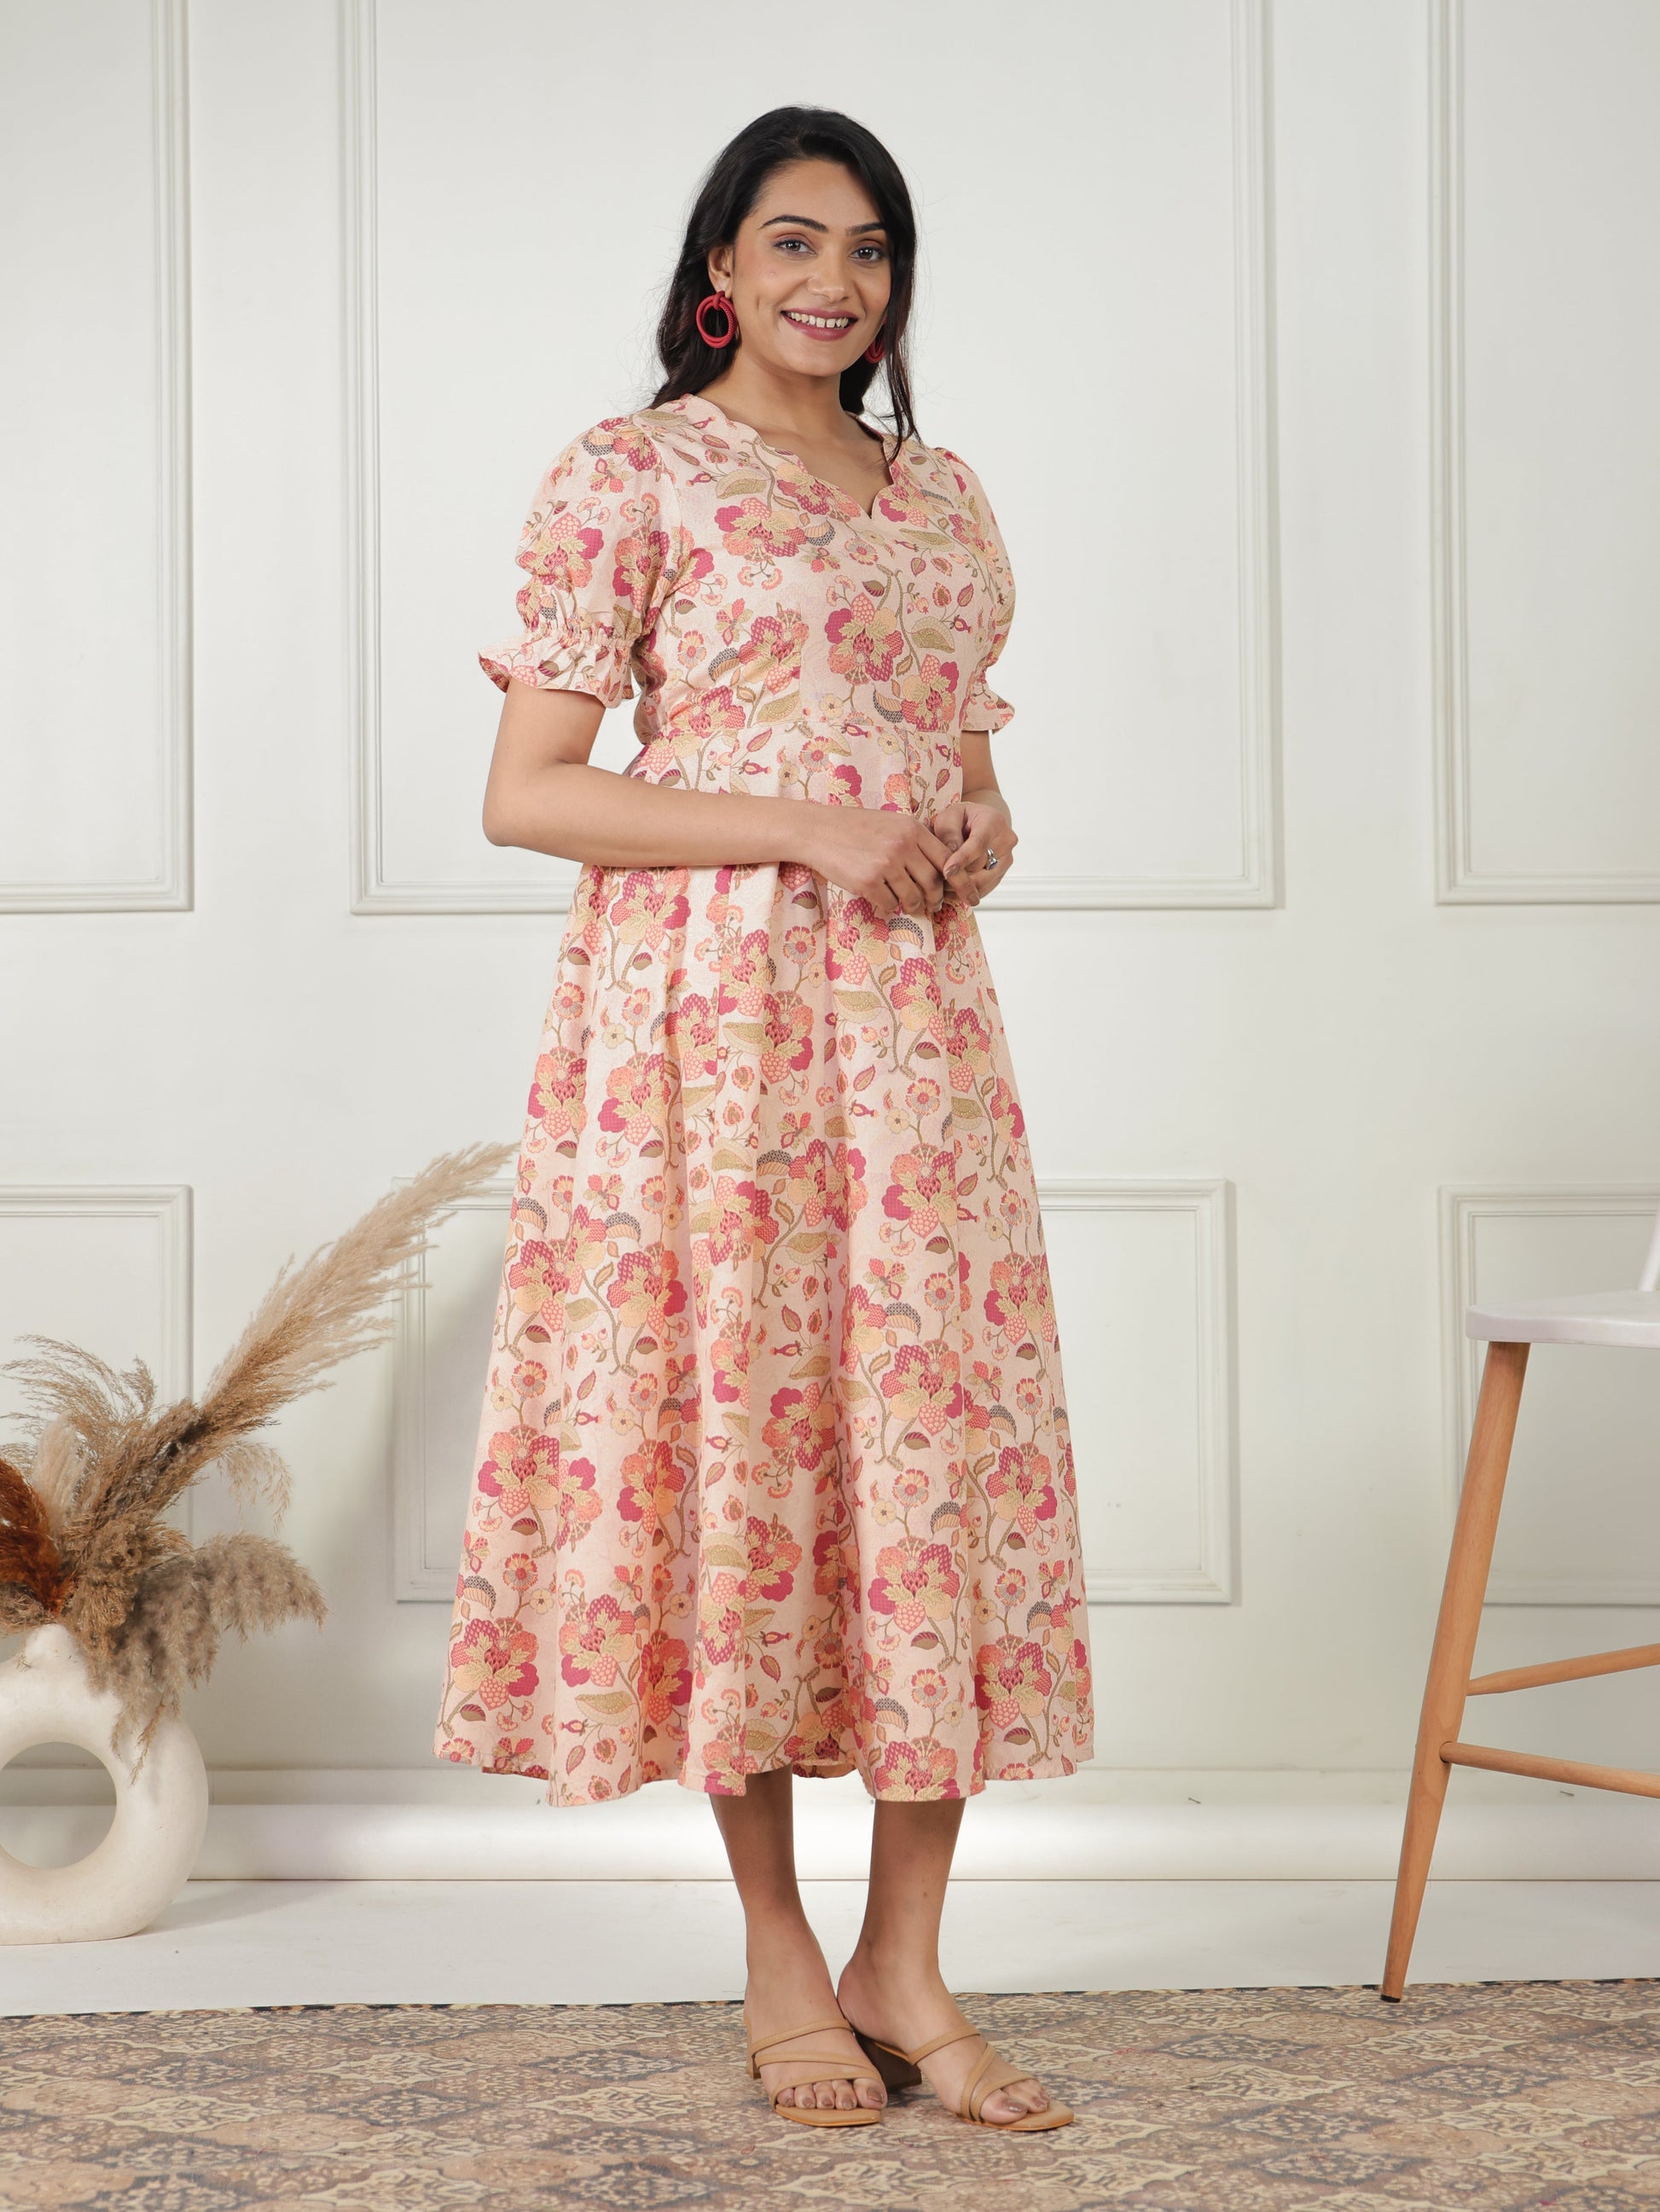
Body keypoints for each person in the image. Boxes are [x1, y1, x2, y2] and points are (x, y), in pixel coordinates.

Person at [435, 105, 1093, 2134]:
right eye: (794, 240)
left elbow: (959, 778)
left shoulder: (942, 496)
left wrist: (969, 831)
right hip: (705, 1038)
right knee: (744, 1439)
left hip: (912, 1045)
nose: (836, 280)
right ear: (721, 266)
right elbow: (532, 789)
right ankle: (780, 1949)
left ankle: (909, 1951)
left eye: (870, 248)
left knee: (929, 1452)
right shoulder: (630, 474)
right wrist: (808, 822)